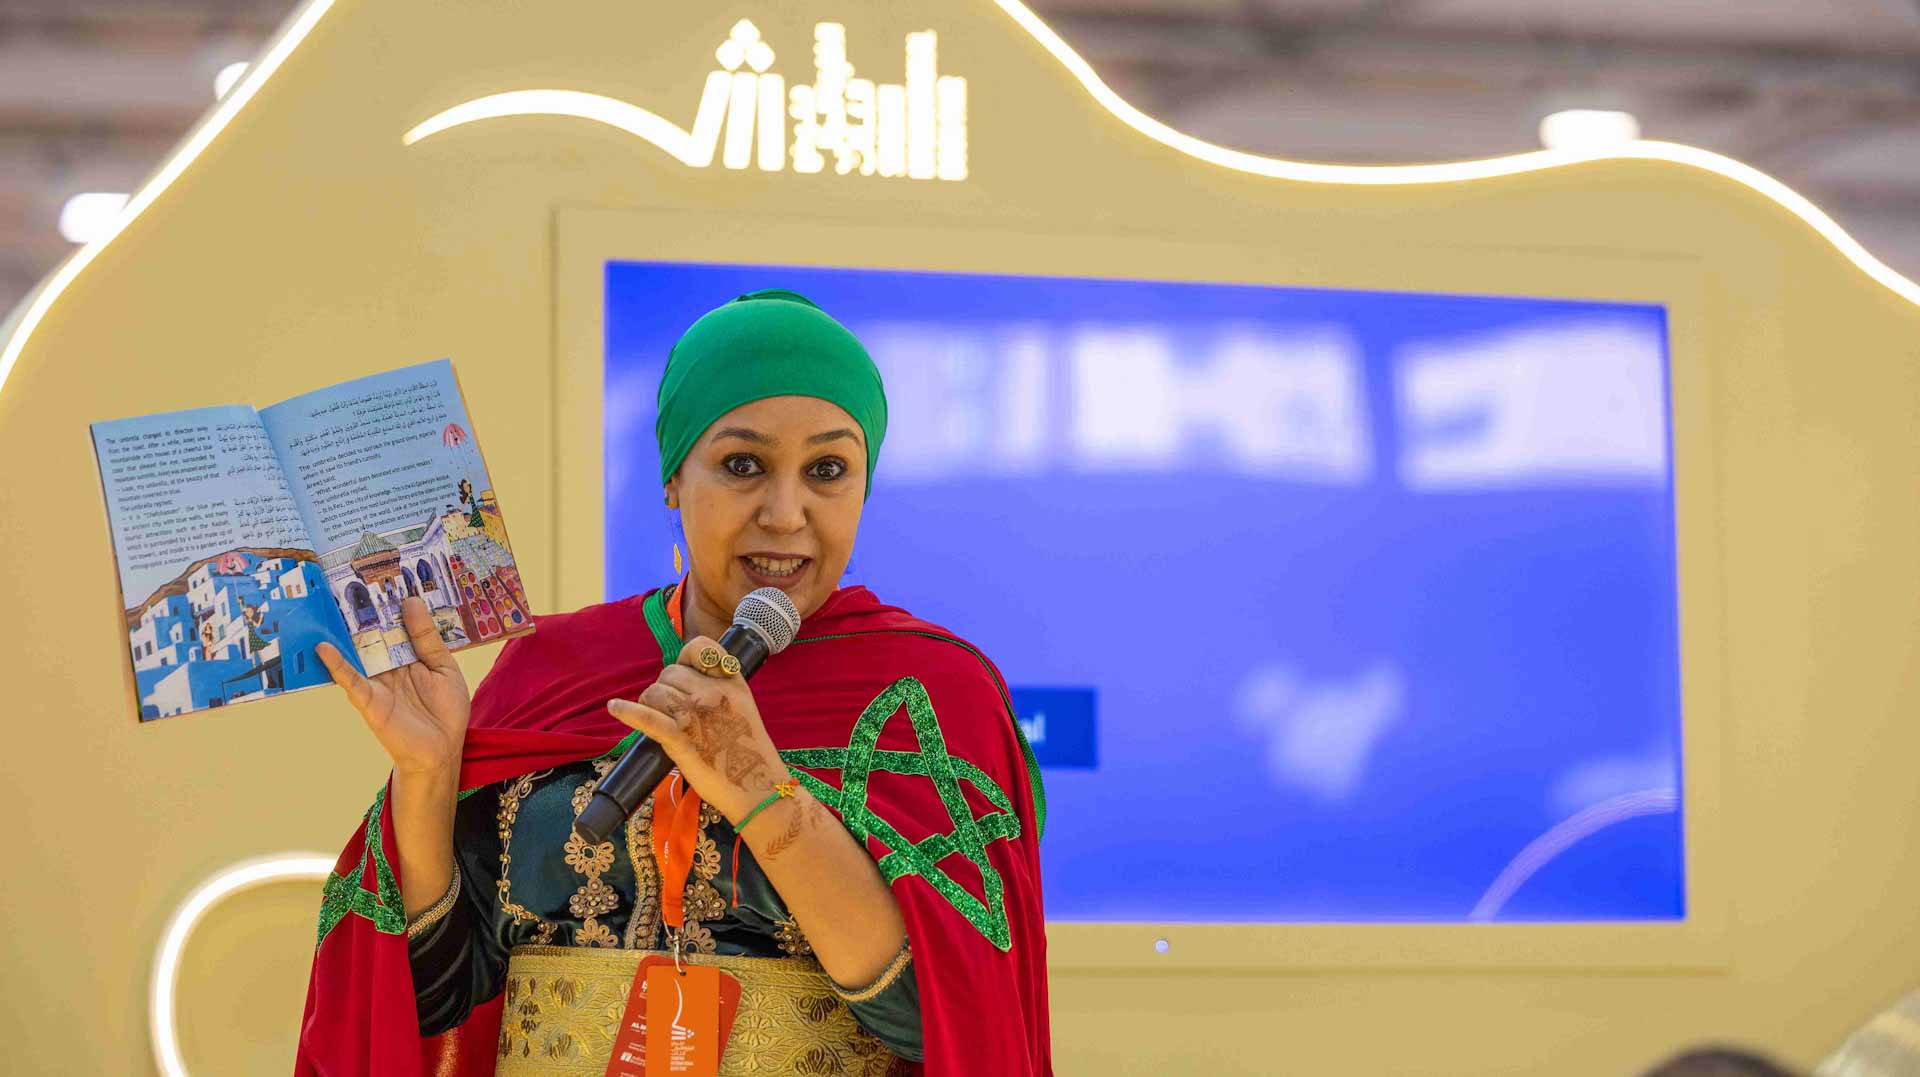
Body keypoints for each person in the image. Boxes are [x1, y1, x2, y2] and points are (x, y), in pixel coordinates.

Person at [293, 289, 1052, 1076]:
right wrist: (427, 778)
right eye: (743, 465)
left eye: (827, 470)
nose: (785, 512)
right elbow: (433, 997)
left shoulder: (929, 692)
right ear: (672, 478)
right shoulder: (551, 668)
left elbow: (952, 1021)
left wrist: (757, 787)